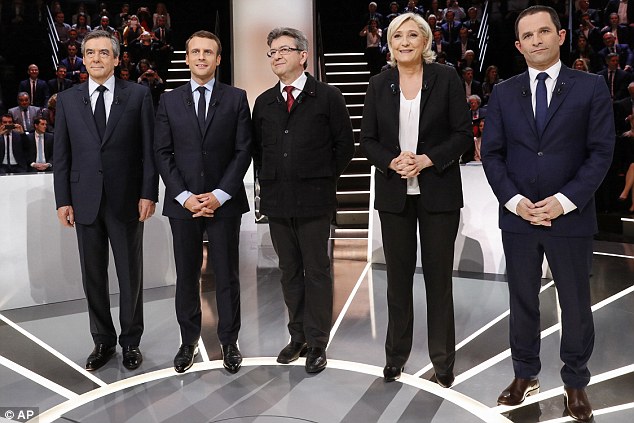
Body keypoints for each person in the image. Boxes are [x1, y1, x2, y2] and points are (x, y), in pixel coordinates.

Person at [481, 6, 615, 422]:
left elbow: (600, 153)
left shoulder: (590, 87)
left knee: (575, 304)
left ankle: (575, 381)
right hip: (519, 218)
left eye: (544, 31)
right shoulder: (503, 92)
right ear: (518, 45)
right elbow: (492, 154)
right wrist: (516, 202)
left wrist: (564, 200)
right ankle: (525, 375)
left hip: (570, 217)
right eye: (528, 35)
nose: (537, 40)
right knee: (521, 301)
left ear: (559, 35)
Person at [360, 12, 472, 386]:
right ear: (389, 45)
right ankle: (396, 355)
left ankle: (442, 361)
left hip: (438, 192)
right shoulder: (379, 84)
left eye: (412, 36)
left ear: (425, 42)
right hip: (395, 196)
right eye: (396, 37)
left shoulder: (447, 78)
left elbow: (461, 134)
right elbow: (368, 141)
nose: (404, 42)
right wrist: (392, 161)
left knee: (439, 280)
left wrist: (427, 159)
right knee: (397, 280)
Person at [53, 30, 158, 372]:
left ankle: (131, 343)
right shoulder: (68, 100)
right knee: (93, 276)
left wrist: (148, 192)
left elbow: (148, 150)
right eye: (89, 53)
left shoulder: (139, 95)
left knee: (130, 275)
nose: (95, 58)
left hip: (127, 200)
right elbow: (62, 155)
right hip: (84, 201)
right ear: (82, 59)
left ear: (116, 58)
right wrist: (63, 200)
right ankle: (103, 341)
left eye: (102, 53)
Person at [252, 27, 354, 374]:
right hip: (278, 202)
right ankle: (297, 336)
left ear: (303, 55)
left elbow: (345, 148)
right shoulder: (264, 102)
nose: (277, 56)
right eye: (272, 52)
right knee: (289, 272)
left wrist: (320, 178)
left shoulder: (327, 96)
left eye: (284, 49)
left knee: (317, 272)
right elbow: (257, 151)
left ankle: (317, 342)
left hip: (314, 201)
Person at [154, 30, 251, 375]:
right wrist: (185, 197)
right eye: (195, 51)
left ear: (218, 58)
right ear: (187, 58)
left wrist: (219, 195)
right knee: (186, 275)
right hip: (184, 204)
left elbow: (243, 151)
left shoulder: (237, 98)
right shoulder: (168, 100)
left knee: (227, 275)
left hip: (224, 202)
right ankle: (188, 341)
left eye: (208, 52)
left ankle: (229, 341)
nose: (201, 57)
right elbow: (162, 153)